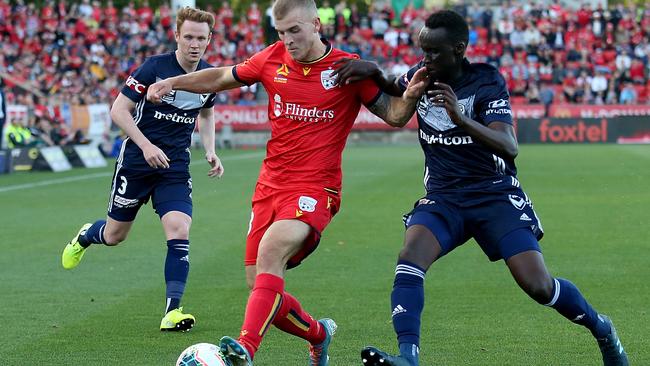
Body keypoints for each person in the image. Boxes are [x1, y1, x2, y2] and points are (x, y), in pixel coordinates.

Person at [333, 10, 629, 366]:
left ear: (458, 49)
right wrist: (375, 72)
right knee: (409, 259)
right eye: (423, 51)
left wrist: (461, 118)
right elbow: (397, 86)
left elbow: (509, 145)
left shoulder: (487, 81)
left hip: (494, 195)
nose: (425, 59)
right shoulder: (423, 75)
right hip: (444, 198)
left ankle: (602, 329)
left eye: (434, 52)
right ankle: (408, 356)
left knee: (538, 285)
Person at [147, 0, 425, 364]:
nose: (288, 40)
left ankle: (245, 349)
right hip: (269, 187)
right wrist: (172, 82)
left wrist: (412, 93)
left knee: (271, 250)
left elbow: (393, 115)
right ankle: (318, 334)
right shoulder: (271, 58)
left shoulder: (346, 68)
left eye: (295, 30)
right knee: (260, 283)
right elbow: (219, 77)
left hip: (316, 187)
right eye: (281, 33)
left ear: (316, 25)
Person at [60, 7, 224, 332]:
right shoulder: (154, 67)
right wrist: (146, 145)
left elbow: (206, 114)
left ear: (208, 41)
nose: (194, 44)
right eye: (188, 37)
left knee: (179, 229)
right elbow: (118, 110)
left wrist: (210, 150)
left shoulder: (207, 77)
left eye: (200, 38)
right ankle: (86, 236)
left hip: (174, 166)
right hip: (136, 162)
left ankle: (172, 312)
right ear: (177, 36)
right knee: (114, 235)